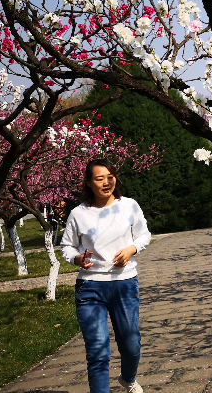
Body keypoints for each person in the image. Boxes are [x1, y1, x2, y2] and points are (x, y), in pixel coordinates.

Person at [60, 158, 151, 393]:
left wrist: (131, 249)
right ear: (89, 183)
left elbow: (144, 235)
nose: (106, 182)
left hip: (124, 284)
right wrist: (78, 259)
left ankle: (128, 379)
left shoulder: (129, 205)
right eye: (99, 178)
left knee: (131, 345)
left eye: (110, 176)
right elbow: (66, 248)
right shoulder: (78, 214)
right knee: (98, 351)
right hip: (90, 287)